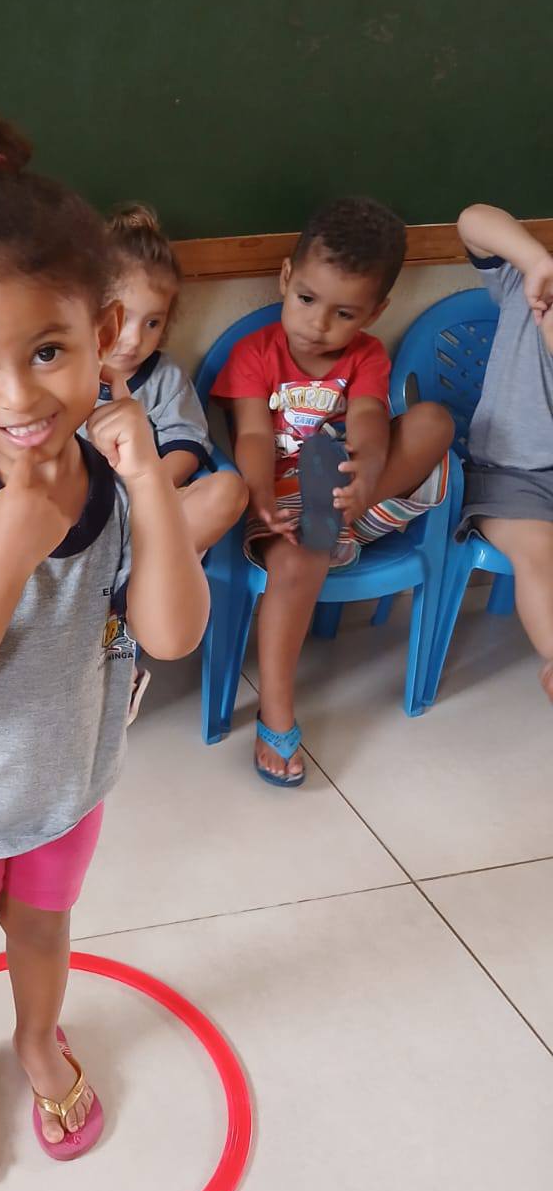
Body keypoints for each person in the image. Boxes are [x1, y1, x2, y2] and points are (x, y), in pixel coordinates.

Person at [0, 108, 210, 1188]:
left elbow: (172, 633)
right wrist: (9, 552)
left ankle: (34, 1037)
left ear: (105, 333)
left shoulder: (116, 483)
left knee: (44, 932)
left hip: (68, 785)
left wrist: (150, 483)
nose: (18, 396)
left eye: (49, 351)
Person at [212, 197, 453, 785]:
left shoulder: (366, 355)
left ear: (375, 312)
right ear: (285, 279)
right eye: (307, 300)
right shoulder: (254, 354)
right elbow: (252, 435)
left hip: (356, 494)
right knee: (300, 560)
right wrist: (257, 493)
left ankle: (344, 509)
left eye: (343, 313)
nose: (318, 325)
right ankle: (276, 712)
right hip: (281, 502)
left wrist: (366, 470)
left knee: (434, 422)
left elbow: (369, 417)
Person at [105, 203, 247, 553]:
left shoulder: (165, 377)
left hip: (148, 514)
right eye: (122, 318)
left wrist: (145, 490)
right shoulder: (61, 374)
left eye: (152, 323)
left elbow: (186, 446)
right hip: (76, 526)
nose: (134, 339)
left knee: (229, 491)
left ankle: (141, 573)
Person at [455, 203, 553, 702]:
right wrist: (535, 260)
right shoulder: (525, 280)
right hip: (509, 477)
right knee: (537, 554)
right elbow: (472, 220)